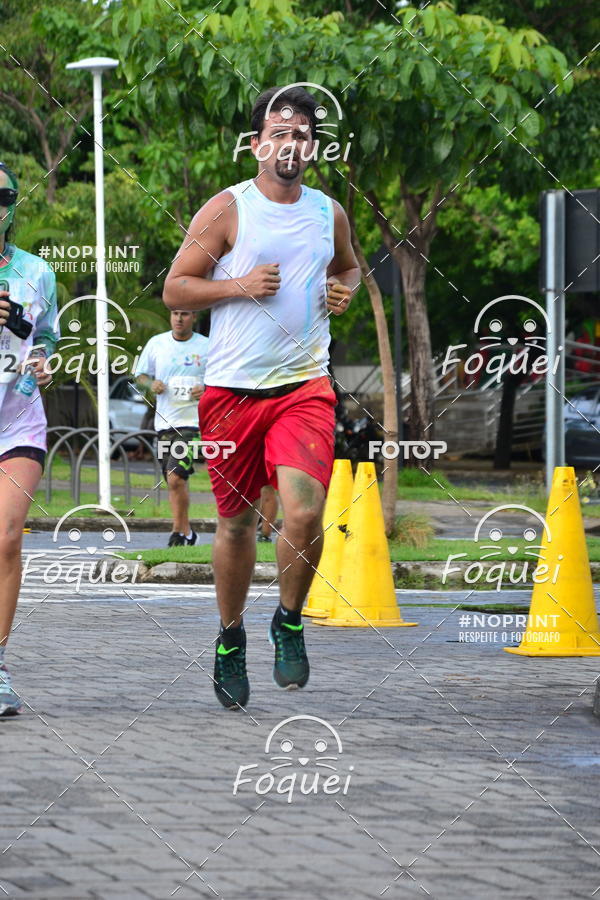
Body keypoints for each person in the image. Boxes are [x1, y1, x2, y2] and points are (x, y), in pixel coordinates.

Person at [163, 85, 360, 709]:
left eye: (301, 135)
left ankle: (289, 619)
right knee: (236, 523)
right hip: (230, 393)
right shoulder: (228, 209)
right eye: (279, 134)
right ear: (256, 146)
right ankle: (229, 638)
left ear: (313, 147)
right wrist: (240, 286)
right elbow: (175, 289)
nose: (290, 144)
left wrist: (345, 289)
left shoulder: (328, 213)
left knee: (303, 511)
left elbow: (348, 266)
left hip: (304, 387)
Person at [0, 161, 59, 716]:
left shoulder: (37, 272)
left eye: (3, 198)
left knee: (6, 538)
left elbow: (47, 340)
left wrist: (39, 359)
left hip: (19, 419)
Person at [135, 309, 209, 546]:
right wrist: (151, 384)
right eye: (175, 313)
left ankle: (177, 533)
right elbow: (140, 376)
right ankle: (188, 533)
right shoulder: (157, 344)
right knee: (173, 481)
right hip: (164, 424)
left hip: (193, 424)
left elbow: (222, 378)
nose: (179, 318)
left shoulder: (207, 346)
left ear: (194, 317)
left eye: (185, 314)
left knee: (176, 477)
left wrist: (206, 389)